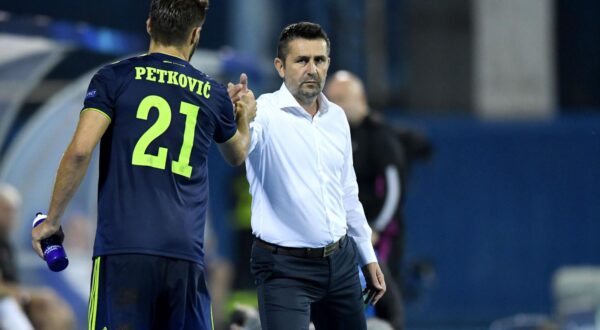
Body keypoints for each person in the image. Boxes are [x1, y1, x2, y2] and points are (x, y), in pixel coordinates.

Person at [30, 0, 256, 329]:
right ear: (195, 34)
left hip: (123, 250)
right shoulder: (213, 94)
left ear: (149, 25)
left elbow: (80, 151)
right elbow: (238, 154)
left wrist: (52, 222)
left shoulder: (113, 78)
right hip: (185, 254)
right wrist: (244, 118)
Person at [242, 22, 386, 330]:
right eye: (301, 60)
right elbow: (239, 150)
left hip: (341, 263)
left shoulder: (336, 118)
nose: (312, 69)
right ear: (280, 66)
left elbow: (348, 192)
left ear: (328, 64)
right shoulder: (264, 113)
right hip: (284, 270)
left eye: (319, 60)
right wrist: (238, 120)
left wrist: (367, 256)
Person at [325, 70, 407, 329]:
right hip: (340, 233)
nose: (335, 105)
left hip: (377, 234)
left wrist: (376, 227)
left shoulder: (378, 136)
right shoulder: (327, 135)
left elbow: (394, 188)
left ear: (360, 99)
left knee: (381, 291)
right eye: (331, 98)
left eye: (342, 98)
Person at [0, 183, 74, 330]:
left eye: (14, 211)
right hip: (5, 304)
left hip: (13, 300)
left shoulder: (6, 245)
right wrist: (28, 295)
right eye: (6, 210)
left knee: (54, 309)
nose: (11, 216)